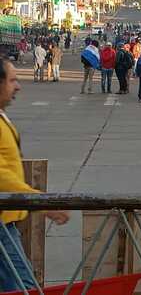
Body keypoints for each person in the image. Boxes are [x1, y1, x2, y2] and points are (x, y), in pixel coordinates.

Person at [0, 57, 70, 291]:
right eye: (12, 80)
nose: (18, 86)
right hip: (1, 225)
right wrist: (40, 201)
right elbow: (1, 176)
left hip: (8, 221)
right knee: (23, 287)